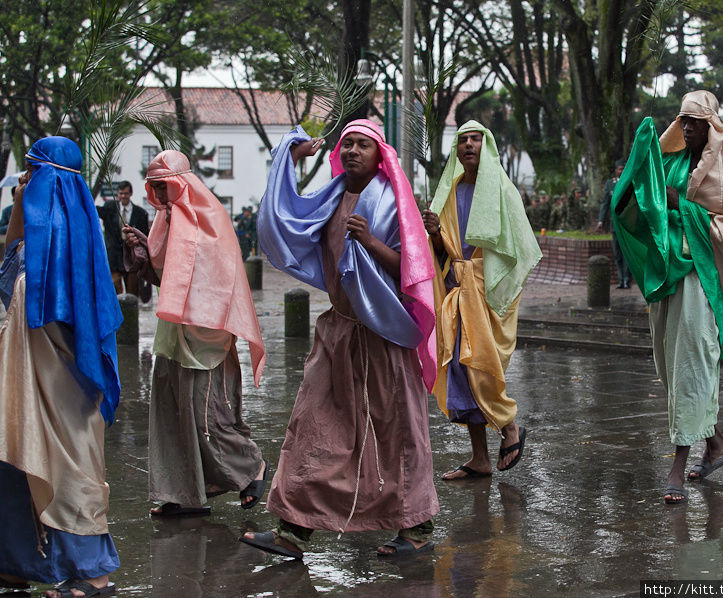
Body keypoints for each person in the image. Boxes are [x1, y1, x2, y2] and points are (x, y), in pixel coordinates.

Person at [243, 119, 439, 559]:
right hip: (338, 332)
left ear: (379, 155)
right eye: (346, 144)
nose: (351, 151)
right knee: (312, 426)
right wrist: (288, 158)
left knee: (398, 432)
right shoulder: (332, 198)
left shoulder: (393, 202)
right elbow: (283, 216)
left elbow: (413, 271)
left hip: (384, 335)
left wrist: (369, 241)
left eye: (361, 145)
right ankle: (293, 531)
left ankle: (418, 526)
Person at [0, 137, 122, 597]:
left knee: (69, 469)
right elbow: (6, 274)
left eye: (34, 171)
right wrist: (16, 209)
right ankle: (18, 562)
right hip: (20, 382)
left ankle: (94, 574)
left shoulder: (76, 244)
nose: (27, 180)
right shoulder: (34, 233)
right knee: (17, 464)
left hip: (65, 385)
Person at [612, 91, 723, 504]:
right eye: (682, 120)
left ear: (710, 126)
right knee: (672, 363)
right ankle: (718, 442)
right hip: (667, 277)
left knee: (691, 360)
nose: (686, 127)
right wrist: (641, 174)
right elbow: (645, 211)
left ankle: (678, 464)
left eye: (694, 121)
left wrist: (680, 204)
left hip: (699, 277)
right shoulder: (669, 162)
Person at [123, 150, 268, 518]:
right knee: (171, 412)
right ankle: (183, 493)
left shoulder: (210, 220)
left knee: (207, 415)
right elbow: (164, 280)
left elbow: (218, 278)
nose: (161, 196)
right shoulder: (164, 222)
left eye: (165, 187)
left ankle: (251, 470)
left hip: (207, 335)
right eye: (155, 188)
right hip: (174, 335)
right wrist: (145, 250)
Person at [421, 120, 542, 480]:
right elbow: (446, 252)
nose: (468, 145)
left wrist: (490, 280)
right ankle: (479, 458)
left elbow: (517, 246)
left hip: (486, 293)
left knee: (480, 364)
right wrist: (434, 233)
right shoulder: (448, 193)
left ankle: (509, 428)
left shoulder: (502, 190)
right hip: (458, 291)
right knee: (459, 368)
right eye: (462, 140)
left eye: (476, 139)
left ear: (485, 145)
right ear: (456, 149)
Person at [97, 181, 149, 297]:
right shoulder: (109, 208)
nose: (123, 196)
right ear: (117, 194)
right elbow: (96, 211)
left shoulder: (141, 213)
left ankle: (130, 315)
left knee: (132, 294)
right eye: (121, 193)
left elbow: (145, 237)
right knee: (114, 292)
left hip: (132, 260)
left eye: (125, 193)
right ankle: (117, 314)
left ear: (131, 194)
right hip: (114, 258)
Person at [597, 159, 632, 288]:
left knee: (626, 253)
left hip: (627, 224)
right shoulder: (610, 184)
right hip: (614, 224)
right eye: (619, 169)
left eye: (623, 168)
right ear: (615, 170)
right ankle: (620, 280)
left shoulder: (630, 181)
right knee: (617, 253)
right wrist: (601, 220)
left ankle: (627, 280)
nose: (621, 171)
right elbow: (605, 203)